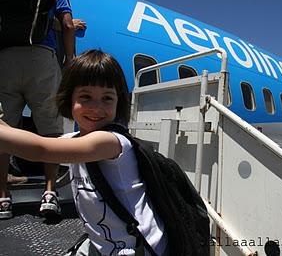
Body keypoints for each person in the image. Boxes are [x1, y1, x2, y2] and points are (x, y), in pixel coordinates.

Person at [0, 50, 167, 255]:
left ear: (118, 103)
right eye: (85, 97)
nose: (96, 108)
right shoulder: (75, 140)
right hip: (103, 242)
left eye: (107, 98)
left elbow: (40, 149)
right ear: (69, 100)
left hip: (138, 248)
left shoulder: (110, 142)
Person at [0, 0, 75, 218]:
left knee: (4, 131)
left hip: (5, 58)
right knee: (50, 130)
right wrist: (70, 59)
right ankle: (50, 193)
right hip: (41, 57)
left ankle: (3, 197)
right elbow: (69, 24)